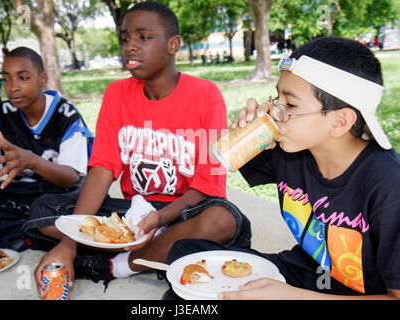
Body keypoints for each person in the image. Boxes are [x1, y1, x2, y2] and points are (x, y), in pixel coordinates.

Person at [31, 1, 250, 298]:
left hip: (184, 212)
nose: (130, 46)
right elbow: (103, 169)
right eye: (125, 38)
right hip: (133, 216)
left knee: (224, 219)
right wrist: (68, 243)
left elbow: (207, 186)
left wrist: (159, 220)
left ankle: (119, 265)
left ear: (173, 44)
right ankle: (161, 250)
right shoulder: (116, 94)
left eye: (143, 37)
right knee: (44, 210)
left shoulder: (206, 96)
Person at [167, 37, 400, 299]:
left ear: (340, 121)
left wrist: (289, 296)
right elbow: (213, 156)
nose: (276, 112)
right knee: (185, 254)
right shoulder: (291, 150)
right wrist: (237, 135)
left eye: (290, 105)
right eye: (277, 97)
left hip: (354, 295)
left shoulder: (389, 185)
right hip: (301, 272)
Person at [0, 47, 93, 251]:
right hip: (17, 193)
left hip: (58, 193)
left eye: (23, 78)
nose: (13, 87)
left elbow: (71, 176)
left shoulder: (66, 115)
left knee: (76, 203)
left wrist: (32, 161)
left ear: (42, 79)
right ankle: (23, 232)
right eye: (6, 79)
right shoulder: (0, 115)